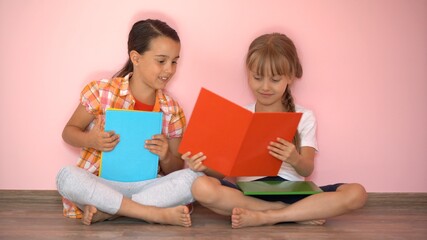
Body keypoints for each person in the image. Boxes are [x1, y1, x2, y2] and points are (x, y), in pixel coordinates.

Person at [182, 32, 368, 228]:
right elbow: (220, 174)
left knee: (357, 193)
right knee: (201, 187)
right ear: (248, 74)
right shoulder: (239, 116)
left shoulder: (304, 116)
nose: (265, 87)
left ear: (289, 77)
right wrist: (204, 167)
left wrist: (294, 158)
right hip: (248, 195)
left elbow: (307, 168)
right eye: (257, 78)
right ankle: (288, 214)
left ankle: (268, 217)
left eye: (275, 80)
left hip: (294, 194)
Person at [56, 19, 202, 227]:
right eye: (161, 61)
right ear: (136, 57)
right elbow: (68, 133)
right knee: (66, 177)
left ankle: (111, 211)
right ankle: (150, 213)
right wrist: (92, 140)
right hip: (102, 184)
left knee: (194, 178)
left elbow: (176, 169)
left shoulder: (172, 109)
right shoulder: (101, 91)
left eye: (174, 61)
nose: (169, 70)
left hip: (146, 187)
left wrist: (166, 155)